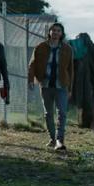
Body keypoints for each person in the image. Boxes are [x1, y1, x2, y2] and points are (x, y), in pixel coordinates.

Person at [28, 22, 73, 151]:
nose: (55, 33)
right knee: (48, 113)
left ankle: (60, 140)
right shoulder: (40, 47)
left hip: (61, 85)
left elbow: (71, 70)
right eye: (53, 30)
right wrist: (31, 80)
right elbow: (32, 64)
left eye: (58, 31)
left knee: (62, 113)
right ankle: (52, 138)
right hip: (46, 84)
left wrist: (70, 88)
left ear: (61, 33)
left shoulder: (67, 49)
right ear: (49, 33)